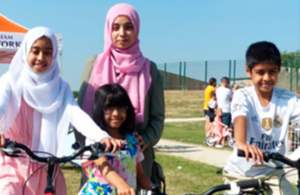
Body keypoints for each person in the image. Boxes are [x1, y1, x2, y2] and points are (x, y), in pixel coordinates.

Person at [0, 27, 122, 195]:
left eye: (48, 52)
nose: (41, 58)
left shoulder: (60, 88)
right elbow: (1, 103)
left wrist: (101, 135)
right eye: (35, 51)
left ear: (54, 55)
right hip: (13, 162)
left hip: (47, 166)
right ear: (25, 52)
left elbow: (76, 114)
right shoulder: (11, 81)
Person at [74, 3, 165, 187]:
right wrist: (87, 150)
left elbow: (157, 117)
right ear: (108, 29)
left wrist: (146, 139)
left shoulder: (149, 69)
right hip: (99, 158)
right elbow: (80, 114)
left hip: (136, 159)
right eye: (116, 27)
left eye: (128, 27)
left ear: (137, 29)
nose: (122, 33)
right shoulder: (94, 64)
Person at [223, 41, 298, 194]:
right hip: (241, 174)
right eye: (260, 72)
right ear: (248, 71)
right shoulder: (242, 95)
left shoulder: (289, 99)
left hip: (274, 173)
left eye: (272, 71)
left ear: (278, 71)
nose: (267, 78)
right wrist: (242, 144)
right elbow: (239, 119)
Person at [78, 84, 152, 195]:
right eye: (109, 108)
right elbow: (103, 166)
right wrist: (122, 185)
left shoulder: (132, 140)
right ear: (99, 109)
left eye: (121, 108)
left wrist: (155, 190)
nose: (116, 113)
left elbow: (140, 174)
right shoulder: (95, 139)